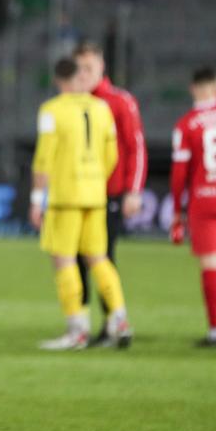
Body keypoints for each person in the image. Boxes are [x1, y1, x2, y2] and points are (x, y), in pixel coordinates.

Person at [29, 58, 133, 351]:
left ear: (58, 80)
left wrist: (37, 199)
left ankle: (77, 330)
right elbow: (112, 155)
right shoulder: (101, 108)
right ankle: (119, 320)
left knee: (64, 260)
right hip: (95, 195)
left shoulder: (52, 110)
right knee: (98, 258)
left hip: (66, 197)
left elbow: (44, 158)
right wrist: (95, 179)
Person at [73, 42, 146, 345]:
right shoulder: (71, 103)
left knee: (102, 256)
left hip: (109, 194)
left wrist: (133, 191)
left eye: (89, 67)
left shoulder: (118, 101)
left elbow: (135, 146)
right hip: (77, 194)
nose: (84, 74)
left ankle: (112, 322)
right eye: (79, 68)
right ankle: (81, 324)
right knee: (76, 258)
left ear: (102, 67)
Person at [170, 67, 216, 347]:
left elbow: (179, 173)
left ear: (193, 89)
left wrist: (177, 209)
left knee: (210, 265)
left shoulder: (186, 124)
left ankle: (215, 332)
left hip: (204, 201)